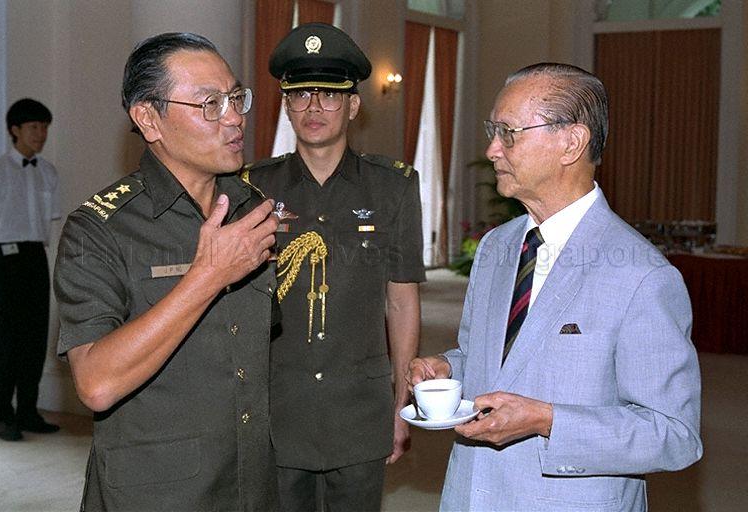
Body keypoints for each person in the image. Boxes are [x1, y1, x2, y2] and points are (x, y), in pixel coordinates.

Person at [408, 63, 703, 511]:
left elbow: (674, 435)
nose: (492, 149)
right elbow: (489, 360)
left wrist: (548, 421)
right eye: (494, 130)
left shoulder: (643, 275)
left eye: (509, 133)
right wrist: (448, 369)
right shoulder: (496, 248)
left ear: (571, 142)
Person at [53, 32, 280, 511]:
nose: (236, 117)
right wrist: (208, 275)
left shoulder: (250, 209)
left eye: (236, 98)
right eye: (210, 104)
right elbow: (96, 382)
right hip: (158, 493)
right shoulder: (99, 229)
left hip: (250, 483)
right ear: (149, 119)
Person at [244, 22, 425, 511]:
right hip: (277, 408)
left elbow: (402, 301)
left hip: (359, 409)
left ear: (354, 106)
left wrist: (402, 404)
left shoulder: (394, 188)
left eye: (329, 95)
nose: (313, 108)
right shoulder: (251, 188)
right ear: (286, 105)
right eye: (301, 95)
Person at [0, 98, 61, 442]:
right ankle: (4, 415)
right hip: (3, 258)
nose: (40, 134)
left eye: (44, 128)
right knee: (7, 341)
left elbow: (49, 222)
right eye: (33, 128)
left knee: (34, 338)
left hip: (34, 257)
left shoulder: (49, 172)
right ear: (15, 130)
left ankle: (28, 411)